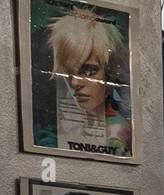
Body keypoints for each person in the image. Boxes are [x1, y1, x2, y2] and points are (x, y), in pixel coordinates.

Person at [45, 8, 132, 156]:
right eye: (68, 73)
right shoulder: (58, 127)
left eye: (89, 71)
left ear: (109, 75)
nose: (74, 83)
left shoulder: (116, 132)